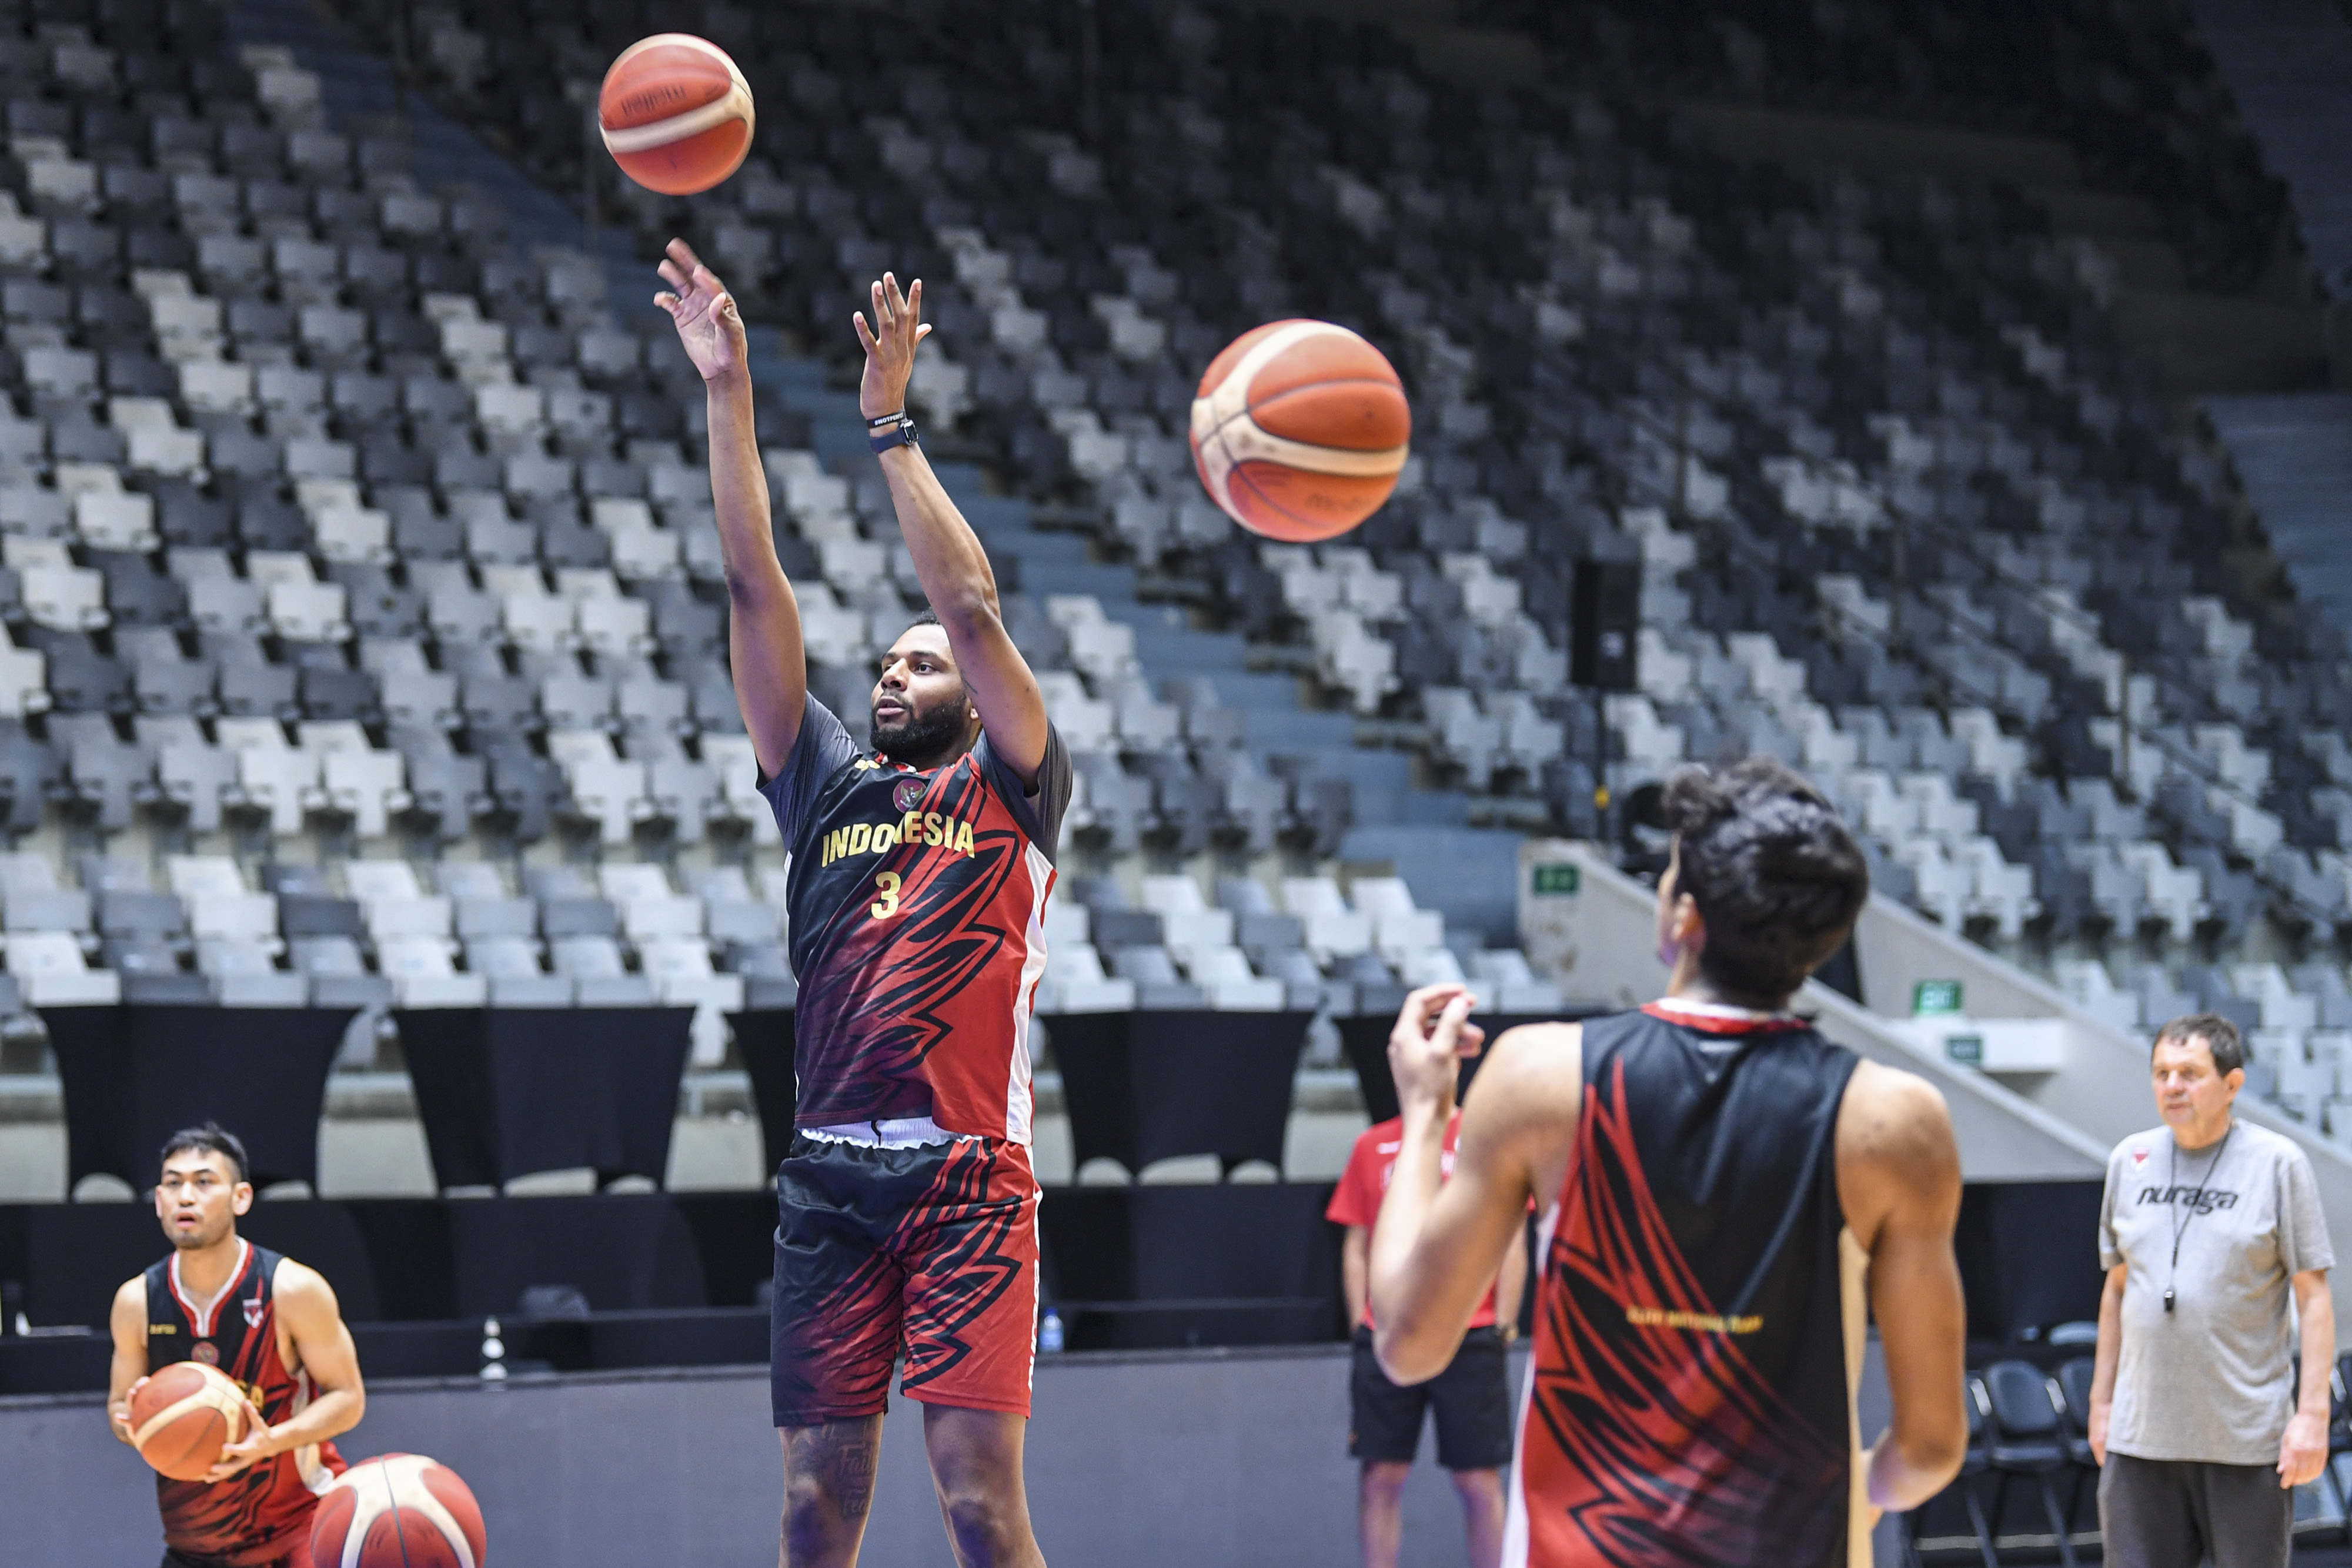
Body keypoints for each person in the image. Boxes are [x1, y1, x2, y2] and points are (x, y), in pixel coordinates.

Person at [656, 240, 1068, 1568]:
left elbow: (972, 601)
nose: (894, 672)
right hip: (832, 1176)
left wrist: (888, 427)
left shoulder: (1017, 789)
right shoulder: (823, 786)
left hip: (967, 1181)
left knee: (976, 1509)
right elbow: (752, 584)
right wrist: (729, 394)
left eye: (918, 665)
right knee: (809, 1511)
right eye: (882, 662)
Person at [1368, 755, 1969, 1566]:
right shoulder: (1896, 1120)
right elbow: (1931, 1447)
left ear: (1685, 915)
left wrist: (1425, 1110)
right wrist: (1851, 1494)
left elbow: (1408, 1343)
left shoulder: (1541, 1075)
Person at [2087, 1013, 2336, 1568]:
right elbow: (2117, 1289)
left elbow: (2314, 1297)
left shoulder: (2277, 1164)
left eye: (2190, 1073)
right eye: (2162, 1072)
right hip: (2141, 1440)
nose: (2173, 1086)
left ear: (2232, 1084)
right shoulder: (2129, 1161)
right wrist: (2101, 1403)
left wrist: (2313, 1415)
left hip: (2245, 1442)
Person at [106, 1123, 364, 1568]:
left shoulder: (292, 1289)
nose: (186, 1196)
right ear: (159, 1201)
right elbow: (116, 1407)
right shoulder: (137, 1302)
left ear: (241, 1197)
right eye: (173, 1183)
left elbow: (350, 1399)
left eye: (204, 1182)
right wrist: (136, 1421)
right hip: (195, 1547)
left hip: (298, 1534)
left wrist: (272, 1440)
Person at [1328, 1111, 1529, 1568]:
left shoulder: (1487, 1137)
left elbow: (1513, 1235)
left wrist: (1504, 1323)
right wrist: (1363, 1321)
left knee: (1478, 1479)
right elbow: (1357, 1242)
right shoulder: (1372, 1146)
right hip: (1388, 1334)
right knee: (1381, 1474)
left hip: (1472, 1333)